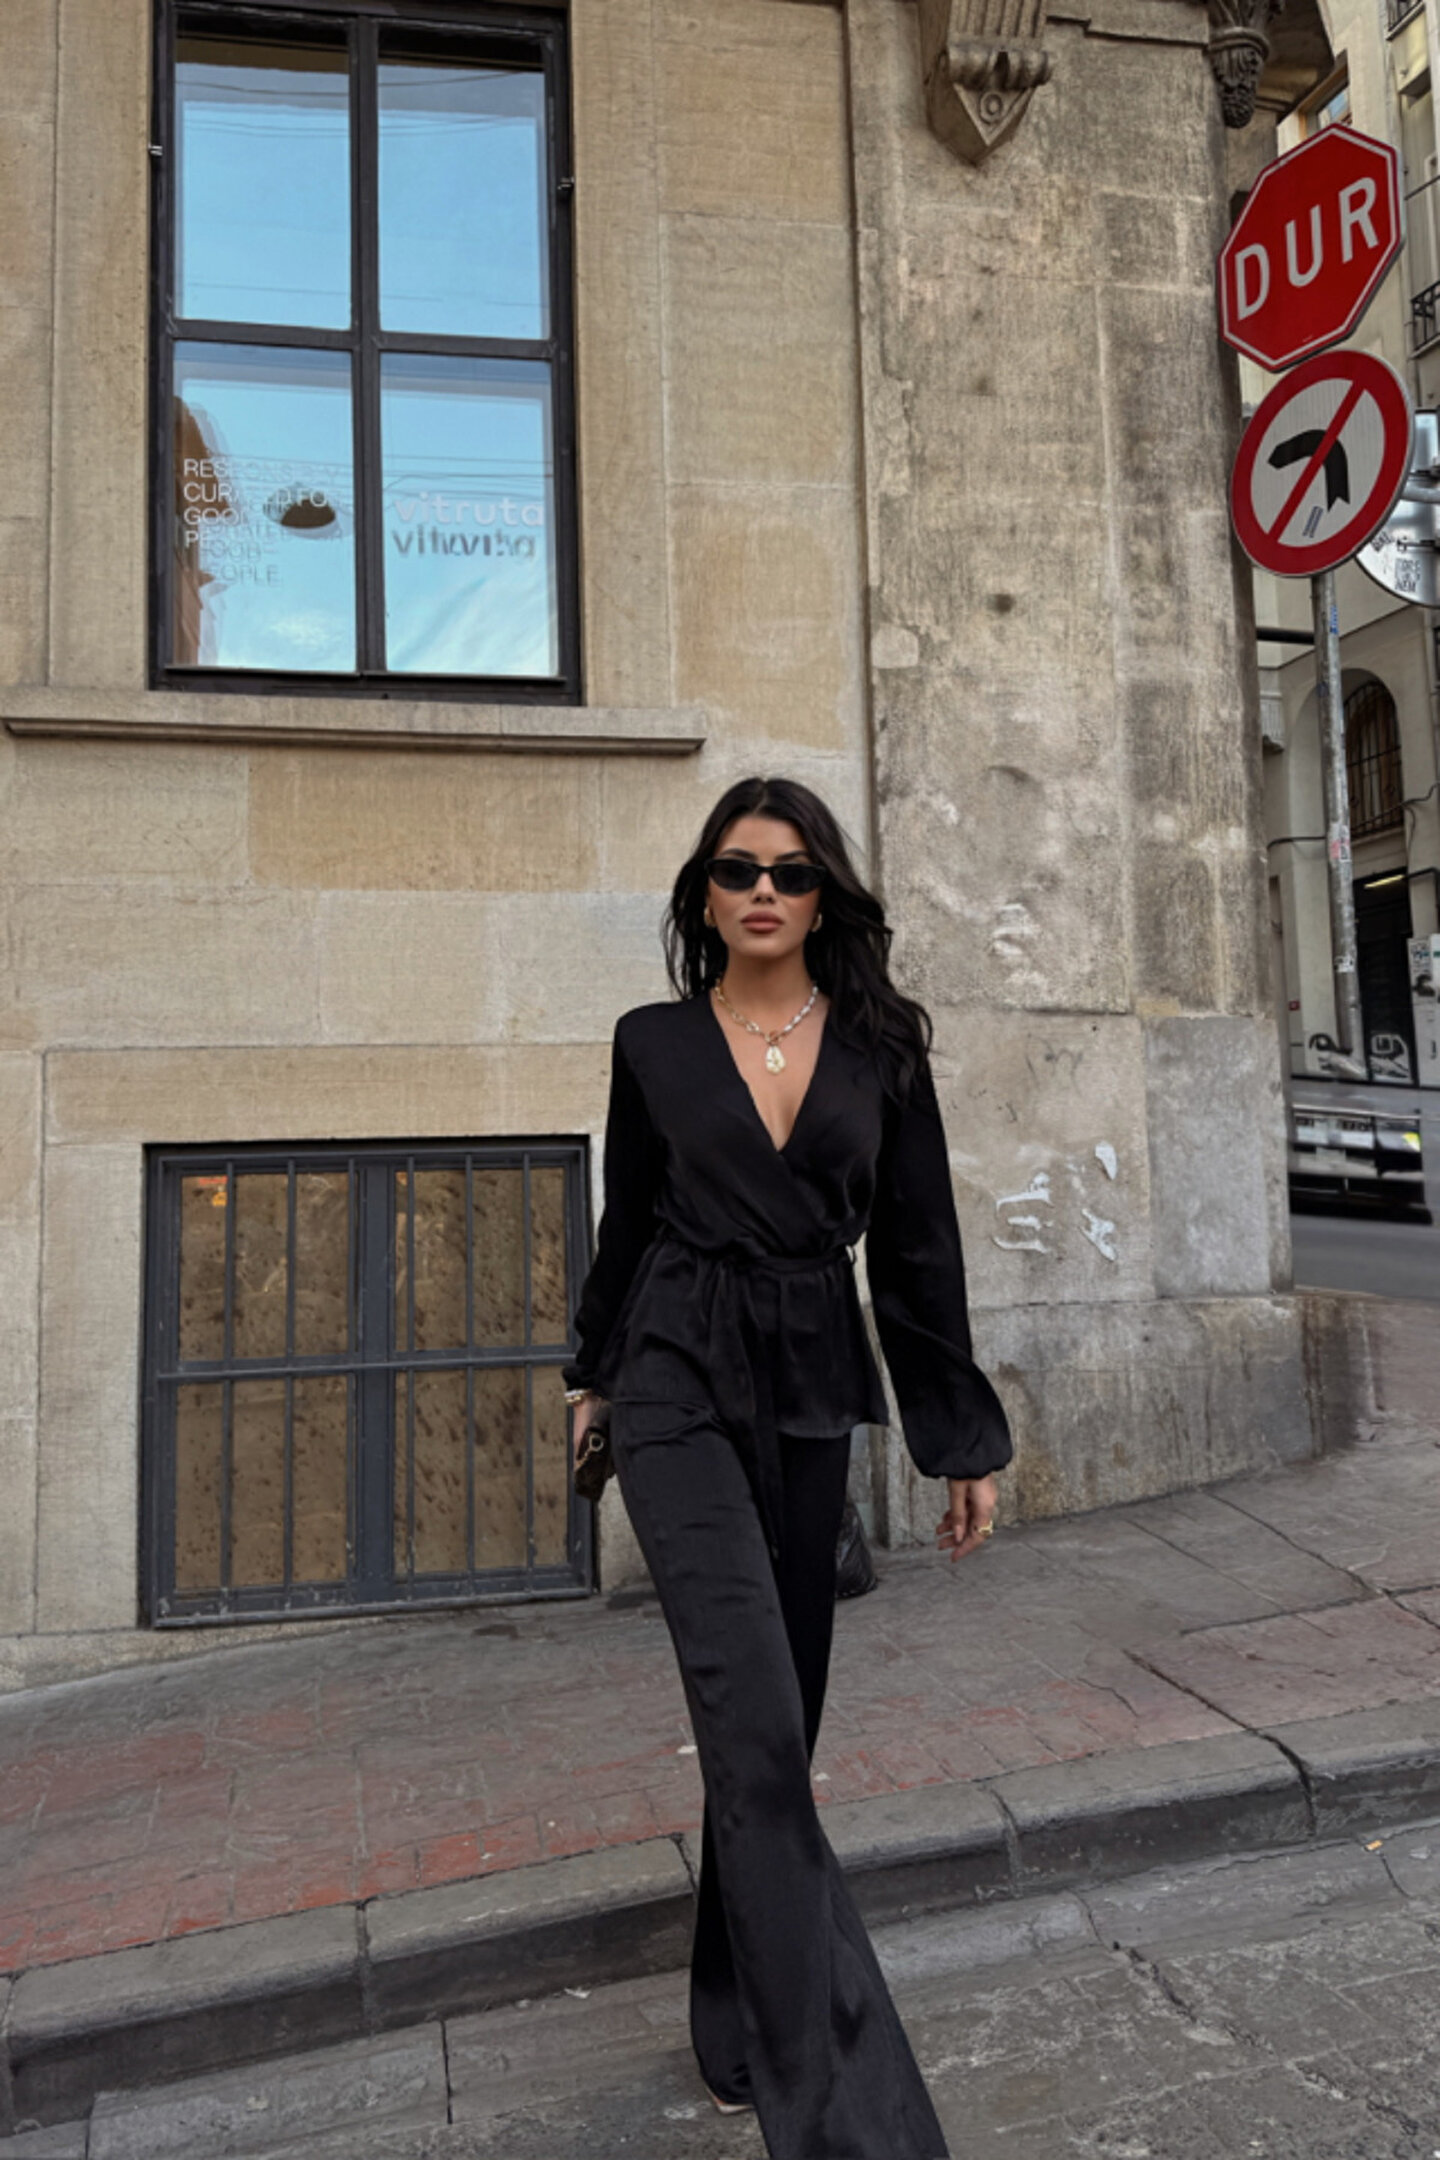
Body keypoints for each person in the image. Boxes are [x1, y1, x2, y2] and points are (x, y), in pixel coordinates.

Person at [562, 775, 1013, 2160]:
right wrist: (591, 1378)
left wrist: (959, 1440)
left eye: (793, 872)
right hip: (673, 1380)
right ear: (704, 896)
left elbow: (920, 1248)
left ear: (826, 899)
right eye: (738, 869)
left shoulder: (884, 1047)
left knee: (778, 1727)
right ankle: (839, 2120)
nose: (764, 891)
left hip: (812, 1386)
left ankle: (732, 2020)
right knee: (755, 1724)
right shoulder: (653, 1043)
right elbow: (629, 1224)